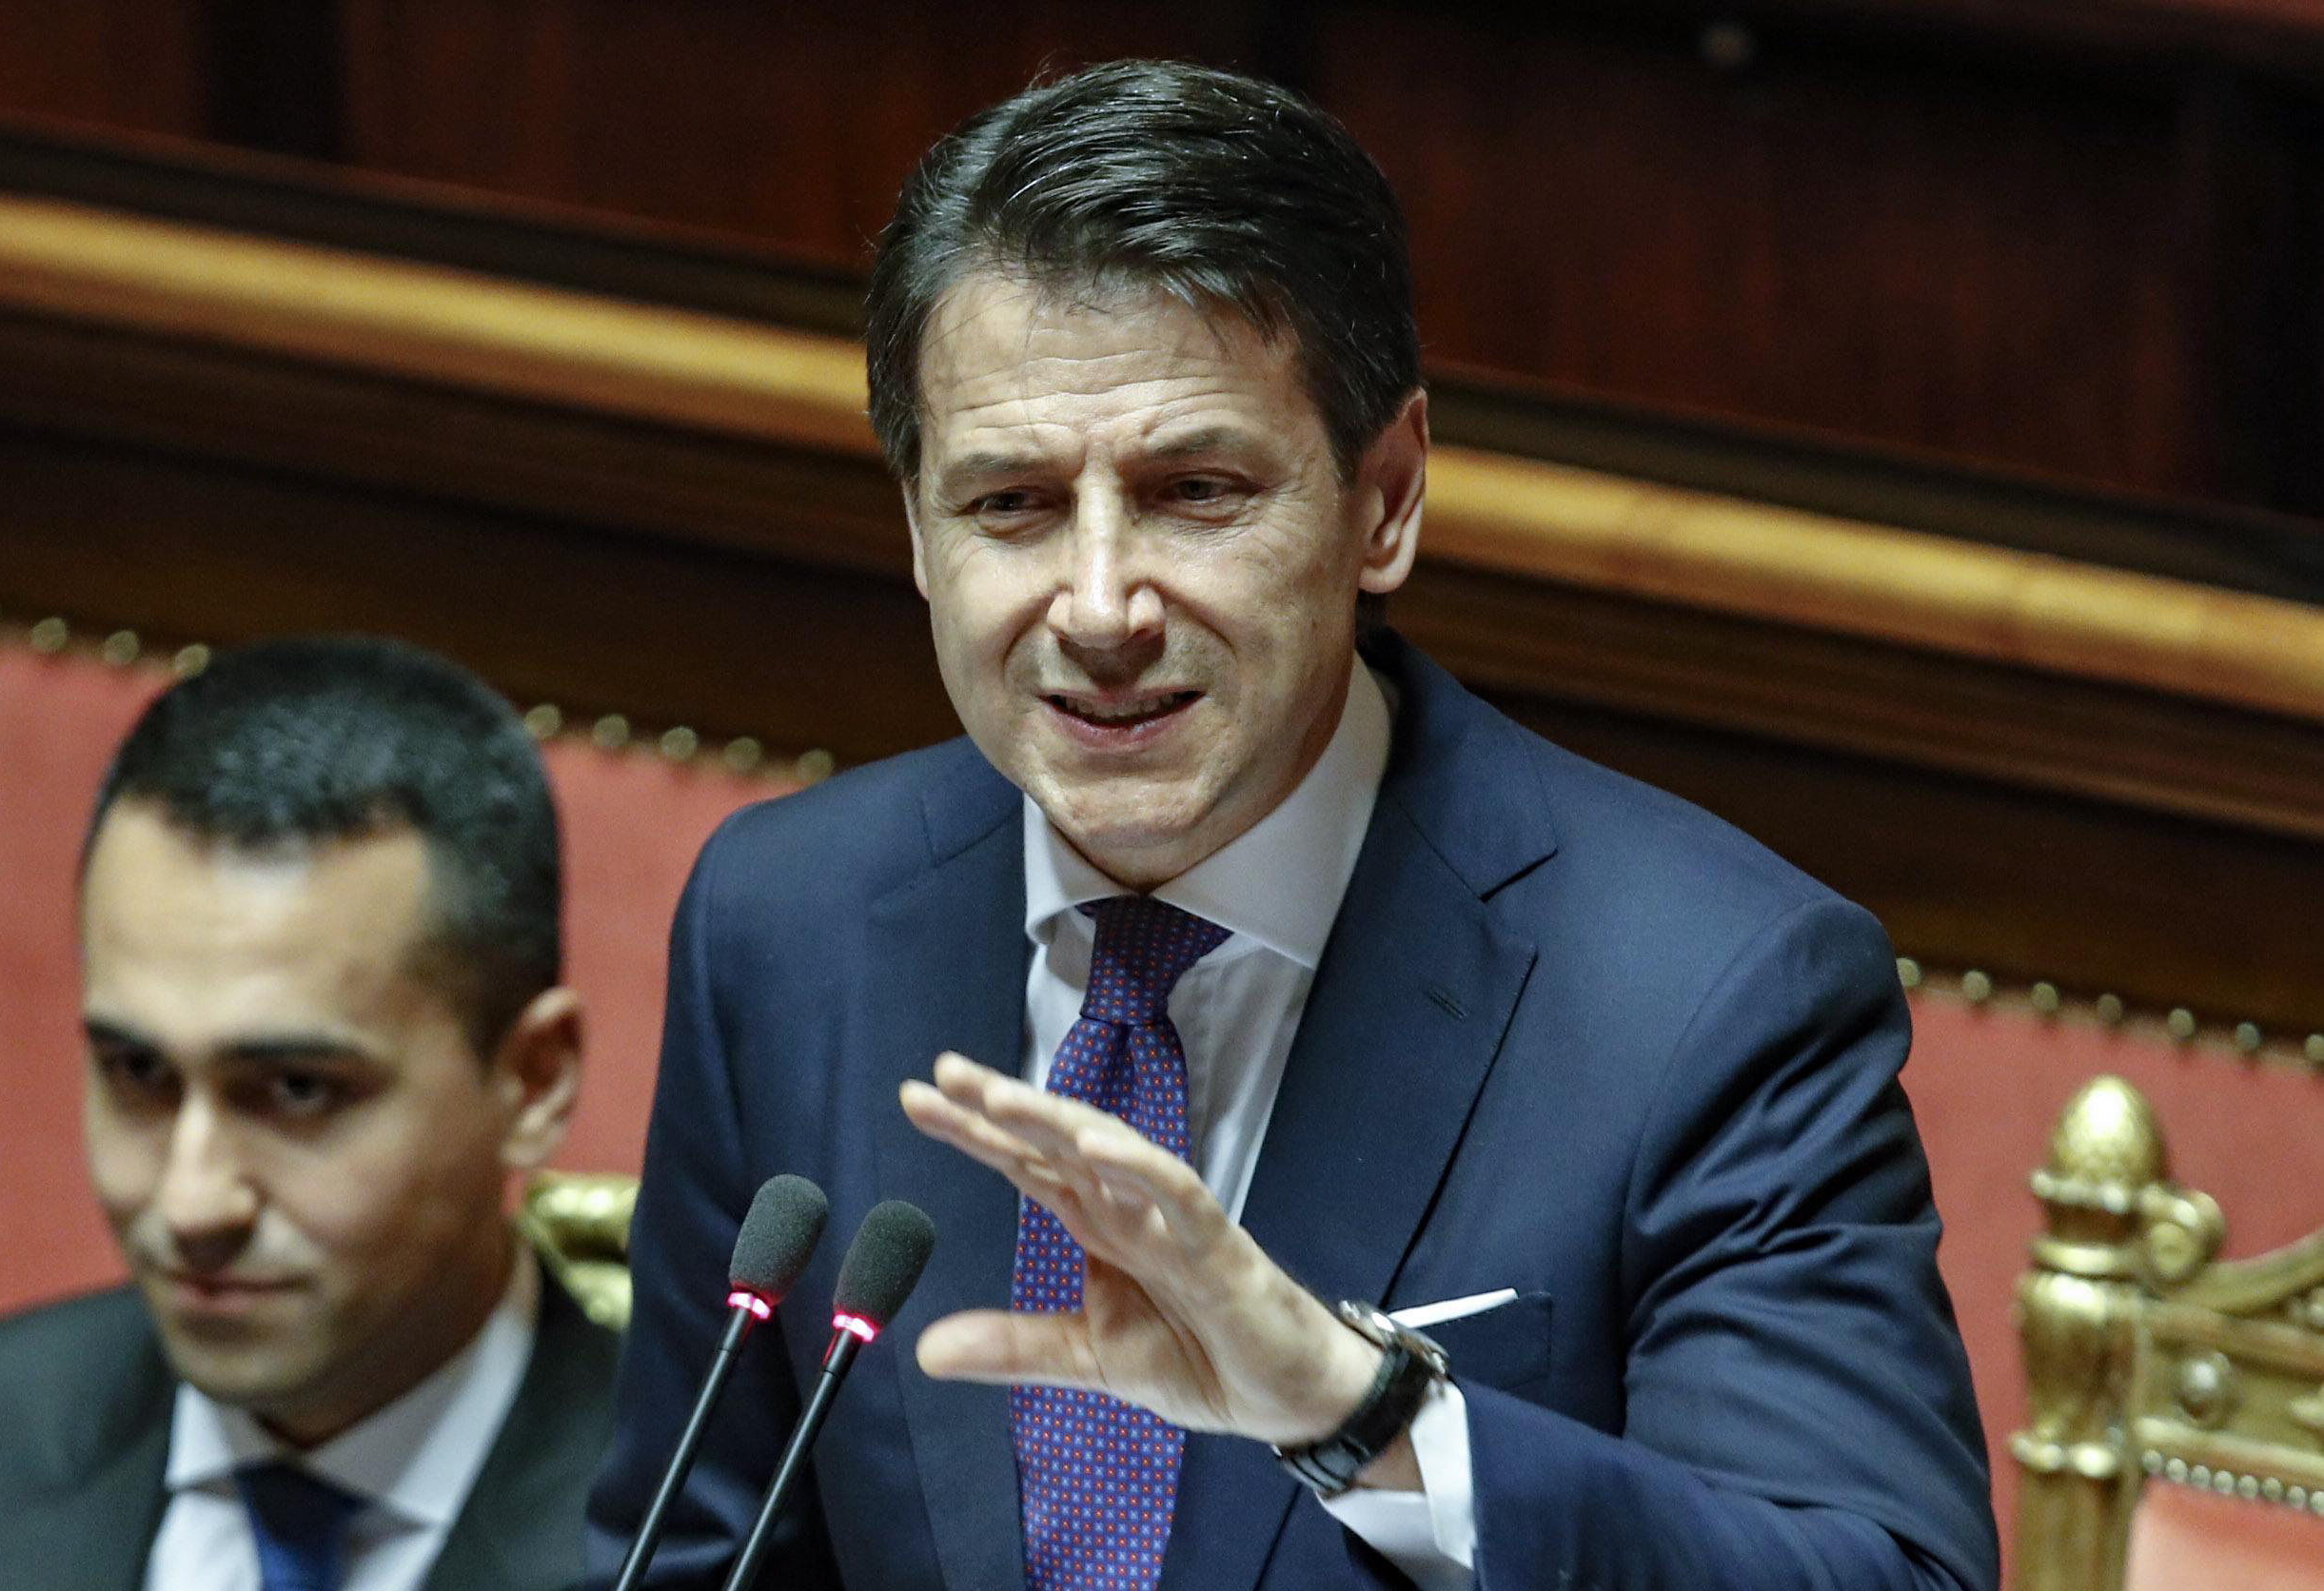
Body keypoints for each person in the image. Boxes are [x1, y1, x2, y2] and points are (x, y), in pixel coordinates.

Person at [588, 60, 1996, 1591]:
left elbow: (1879, 1574)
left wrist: (1362, 1413)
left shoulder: (1708, 997)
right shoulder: (787, 919)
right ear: (919, 533)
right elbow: (690, 1556)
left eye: (1195, 491)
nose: (1100, 609)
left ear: (1383, 499)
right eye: (1011, 505)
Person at [0, 636, 620, 1591]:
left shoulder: (729, 1526)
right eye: (138, 1072)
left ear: (533, 1081)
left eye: (298, 1090)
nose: (191, 1204)